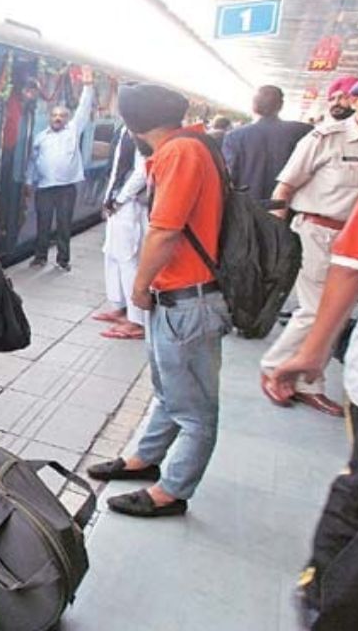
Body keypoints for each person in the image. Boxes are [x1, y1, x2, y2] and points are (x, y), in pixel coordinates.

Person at [273, 143, 358, 630]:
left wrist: (312, 351)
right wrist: (312, 351)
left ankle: (327, 592)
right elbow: (351, 264)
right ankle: (330, 593)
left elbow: (352, 265)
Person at [86, 84, 228, 518]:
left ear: (133, 123)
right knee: (169, 391)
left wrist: (139, 286)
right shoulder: (187, 147)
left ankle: (172, 491)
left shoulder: (180, 153)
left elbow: (165, 230)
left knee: (195, 409)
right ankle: (144, 460)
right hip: (179, 297)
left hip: (188, 298)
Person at [260, 72, 358, 417]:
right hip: (319, 232)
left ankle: (307, 379)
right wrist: (277, 240)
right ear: (355, 100)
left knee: (336, 311)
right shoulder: (324, 137)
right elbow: (285, 188)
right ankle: (276, 369)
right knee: (317, 309)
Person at [29, 67, 95, 271]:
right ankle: (40, 257)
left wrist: (88, 85)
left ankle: (62, 260)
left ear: (66, 118)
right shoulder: (41, 137)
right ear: (50, 118)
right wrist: (28, 183)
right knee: (43, 223)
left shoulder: (73, 131)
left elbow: (84, 108)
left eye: (61, 116)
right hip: (44, 188)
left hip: (66, 188)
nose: (58, 118)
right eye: (54, 115)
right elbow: (33, 162)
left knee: (64, 225)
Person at [92, 126, 148, 340]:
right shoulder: (127, 129)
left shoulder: (142, 130)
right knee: (113, 254)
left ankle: (137, 320)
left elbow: (141, 171)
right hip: (118, 203)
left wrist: (120, 199)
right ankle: (121, 306)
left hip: (129, 205)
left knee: (128, 260)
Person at [220, 85, 313, 202]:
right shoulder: (303, 132)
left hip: (247, 208)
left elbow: (229, 176)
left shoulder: (235, 136)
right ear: (281, 106)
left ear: (253, 106)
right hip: (287, 206)